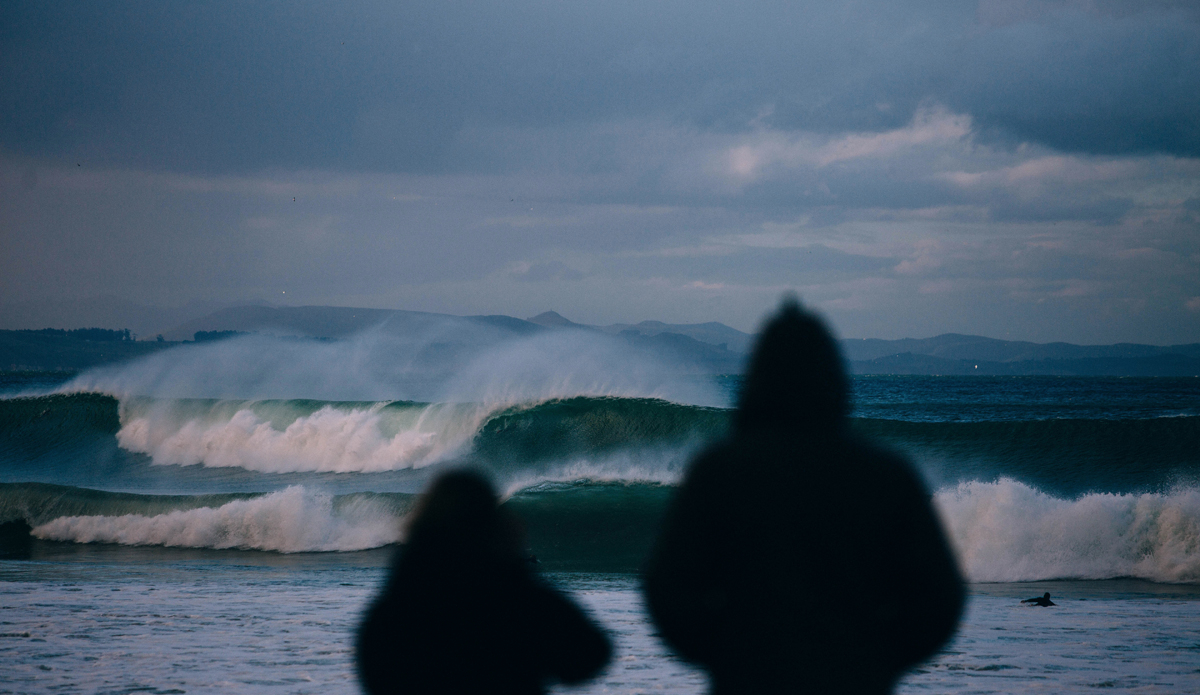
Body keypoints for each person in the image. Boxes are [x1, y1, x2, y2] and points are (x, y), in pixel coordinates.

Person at [643, 299, 964, 695]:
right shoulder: (884, 474)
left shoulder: (721, 471)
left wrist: (725, 653)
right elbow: (939, 598)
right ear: (832, 376)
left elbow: (666, 586)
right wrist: (875, 658)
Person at [356, 469, 612, 695]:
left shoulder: (399, 605)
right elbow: (590, 655)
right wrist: (515, 570)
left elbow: (375, 675)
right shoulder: (514, 599)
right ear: (492, 524)